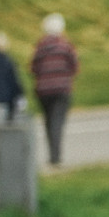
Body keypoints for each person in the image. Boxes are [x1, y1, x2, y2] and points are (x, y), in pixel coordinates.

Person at [30, 13, 79, 165]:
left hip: (43, 90)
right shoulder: (66, 46)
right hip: (62, 89)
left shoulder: (40, 47)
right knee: (57, 121)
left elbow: (33, 68)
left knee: (49, 121)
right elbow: (75, 66)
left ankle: (53, 154)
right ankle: (55, 156)